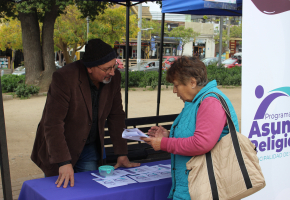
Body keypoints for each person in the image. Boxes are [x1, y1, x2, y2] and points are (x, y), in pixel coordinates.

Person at [31, 39, 140, 188]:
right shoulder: (65, 77)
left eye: (114, 66)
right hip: (60, 147)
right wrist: (63, 162)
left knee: (88, 190)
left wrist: (121, 153)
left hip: (89, 146)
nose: (112, 72)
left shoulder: (114, 78)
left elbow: (116, 116)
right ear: (90, 68)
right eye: (107, 68)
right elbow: (53, 122)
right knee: (62, 192)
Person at [141, 56, 239, 200]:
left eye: (176, 85)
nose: (174, 91)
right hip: (190, 189)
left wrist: (163, 143)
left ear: (192, 82)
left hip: (205, 191)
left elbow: (201, 143)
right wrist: (169, 135)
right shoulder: (195, 102)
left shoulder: (210, 101)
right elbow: (194, 135)